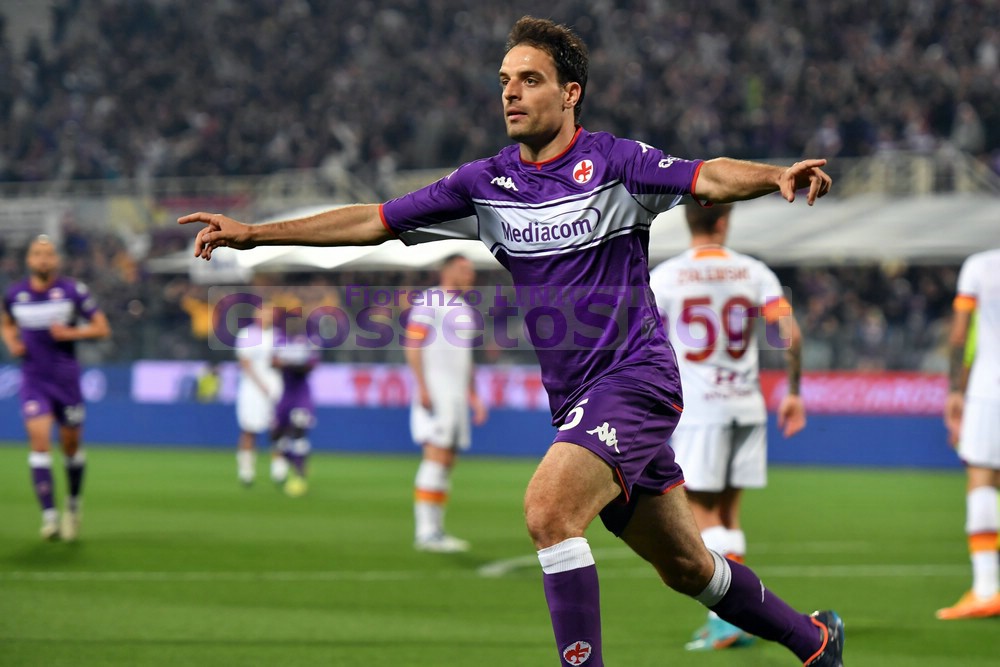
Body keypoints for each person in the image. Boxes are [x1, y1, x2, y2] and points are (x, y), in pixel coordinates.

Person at [180, 16, 843, 666]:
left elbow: (706, 177)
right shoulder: (484, 185)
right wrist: (256, 234)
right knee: (688, 566)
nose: (511, 93)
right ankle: (814, 641)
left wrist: (773, 176)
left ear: (570, 92)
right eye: (505, 81)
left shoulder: (617, 164)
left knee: (549, 511)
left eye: (530, 79)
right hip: (578, 399)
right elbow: (373, 220)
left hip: (636, 382)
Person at [649, 202, 806, 650]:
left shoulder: (665, 277)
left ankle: (730, 620)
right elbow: (790, 334)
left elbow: (645, 343)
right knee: (729, 514)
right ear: (724, 221)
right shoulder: (754, 272)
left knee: (701, 514)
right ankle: (737, 618)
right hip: (746, 405)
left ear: (688, 220)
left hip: (700, 411)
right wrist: (794, 392)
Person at [1, 235, 111, 540]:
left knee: (71, 447)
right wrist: (12, 342)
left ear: (56, 260)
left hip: (66, 381)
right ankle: (49, 516)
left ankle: (73, 505)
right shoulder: (16, 294)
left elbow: (102, 328)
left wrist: (71, 333)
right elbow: (6, 322)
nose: (43, 259)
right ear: (29, 260)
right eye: (37, 253)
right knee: (39, 442)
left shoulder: (72, 291)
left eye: (48, 254)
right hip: (33, 380)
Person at [405, 254, 489, 553]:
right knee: (436, 456)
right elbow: (413, 344)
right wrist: (422, 386)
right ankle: (426, 532)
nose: (470, 275)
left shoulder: (464, 308)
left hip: (456, 394)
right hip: (437, 390)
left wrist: (474, 395)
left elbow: (465, 357)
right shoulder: (430, 300)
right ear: (448, 270)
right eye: (464, 269)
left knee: (447, 459)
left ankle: (436, 530)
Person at [940, 249, 1000, 619]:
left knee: (982, 480)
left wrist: (955, 390)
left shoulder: (981, 266)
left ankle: (986, 589)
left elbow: (960, 335)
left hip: (990, 389)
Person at [234, 303, 287, 486]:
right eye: (262, 313)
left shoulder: (279, 335)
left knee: (278, 428)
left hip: (275, 388)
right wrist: (260, 385)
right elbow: (245, 363)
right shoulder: (246, 335)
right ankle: (246, 470)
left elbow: (283, 361)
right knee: (249, 428)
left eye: (268, 314)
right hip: (252, 389)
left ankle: (279, 469)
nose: (265, 316)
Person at [271, 314, 319, 498]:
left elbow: (310, 366)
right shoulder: (280, 340)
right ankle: (295, 463)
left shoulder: (309, 340)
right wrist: (292, 363)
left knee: (299, 431)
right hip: (286, 394)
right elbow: (272, 362)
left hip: (301, 394)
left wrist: (287, 363)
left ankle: (299, 476)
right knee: (276, 435)